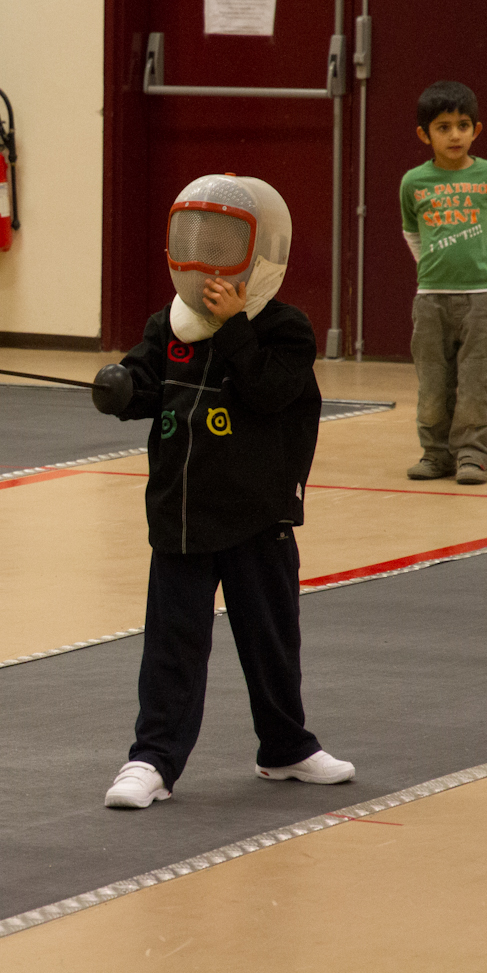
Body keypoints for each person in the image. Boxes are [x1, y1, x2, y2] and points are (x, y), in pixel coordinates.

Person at [91, 173, 354, 810]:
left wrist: (235, 326)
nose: (208, 264)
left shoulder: (286, 330)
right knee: (172, 646)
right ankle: (152, 759)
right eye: (198, 244)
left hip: (258, 518)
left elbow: (268, 391)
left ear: (261, 256)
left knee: (271, 640)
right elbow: (145, 383)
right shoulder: (169, 326)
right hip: (182, 516)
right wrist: (120, 387)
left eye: (225, 247)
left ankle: (285, 747)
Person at [400, 81, 487, 486]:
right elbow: (412, 233)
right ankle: (436, 454)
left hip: (481, 299)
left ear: (475, 130)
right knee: (433, 382)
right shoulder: (414, 182)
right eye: (443, 127)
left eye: (463, 126)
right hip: (431, 299)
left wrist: (477, 263)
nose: (454, 135)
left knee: (477, 381)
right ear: (424, 135)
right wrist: (437, 267)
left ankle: (474, 455)